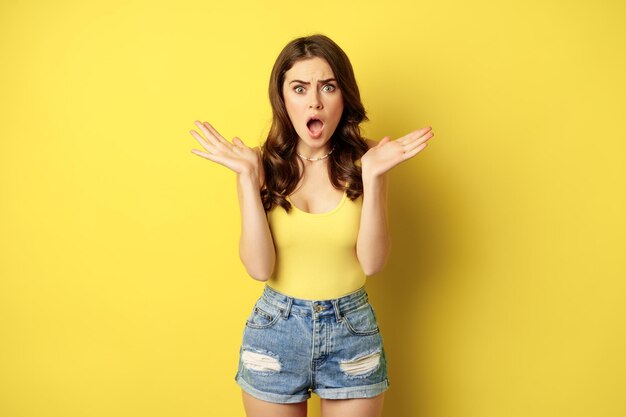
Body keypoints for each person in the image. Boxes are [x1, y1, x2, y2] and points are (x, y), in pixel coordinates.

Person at [189, 34, 434, 417]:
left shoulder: (371, 159)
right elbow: (258, 269)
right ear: (283, 99)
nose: (314, 101)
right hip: (276, 331)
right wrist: (245, 179)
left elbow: (372, 263)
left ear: (344, 96)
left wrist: (374, 177)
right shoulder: (257, 164)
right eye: (300, 88)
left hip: (351, 331)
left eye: (328, 87)